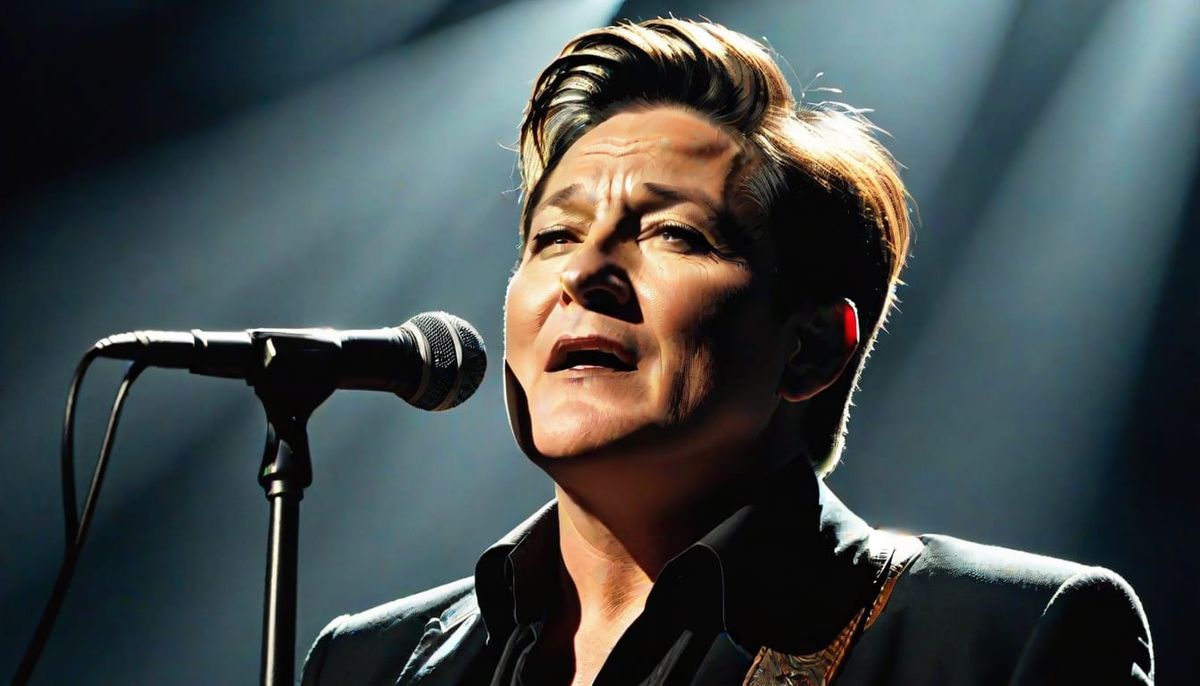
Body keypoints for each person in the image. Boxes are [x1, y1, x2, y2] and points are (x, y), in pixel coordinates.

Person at [300, 17, 1153, 686]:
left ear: (811, 348)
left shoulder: (998, 640)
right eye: (555, 236)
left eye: (674, 233)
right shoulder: (368, 663)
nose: (586, 273)